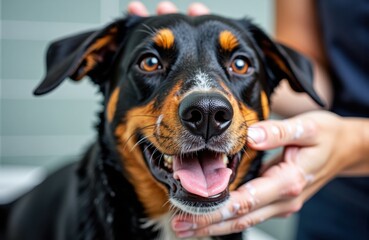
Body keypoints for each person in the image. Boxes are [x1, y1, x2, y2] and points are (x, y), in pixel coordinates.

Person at [128, 1, 369, 239]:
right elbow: (319, 90)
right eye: (150, 62)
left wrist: (353, 142)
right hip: (334, 201)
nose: (209, 108)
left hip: (334, 166)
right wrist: (206, 61)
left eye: (240, 64)